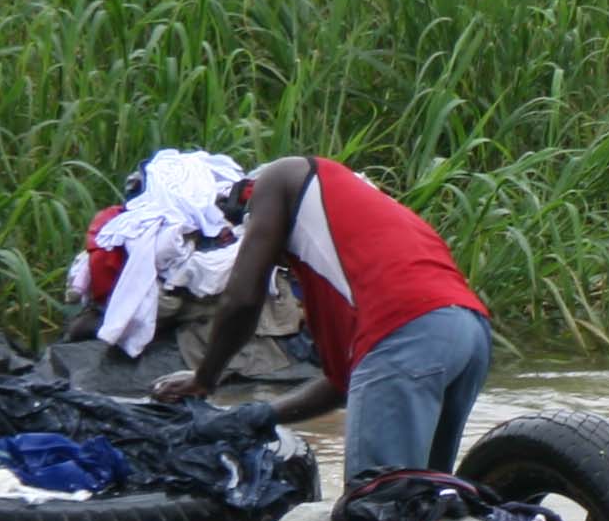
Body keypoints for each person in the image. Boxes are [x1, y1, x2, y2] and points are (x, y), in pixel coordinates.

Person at [151, 157, 491, 483]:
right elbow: (342, 383)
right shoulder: (356, 260)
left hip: (408, 332)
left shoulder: (280, 177)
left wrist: (204, 377)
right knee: (424, 500)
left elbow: (241, 300)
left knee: (376, 509)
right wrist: (261, 415)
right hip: (470, 334)